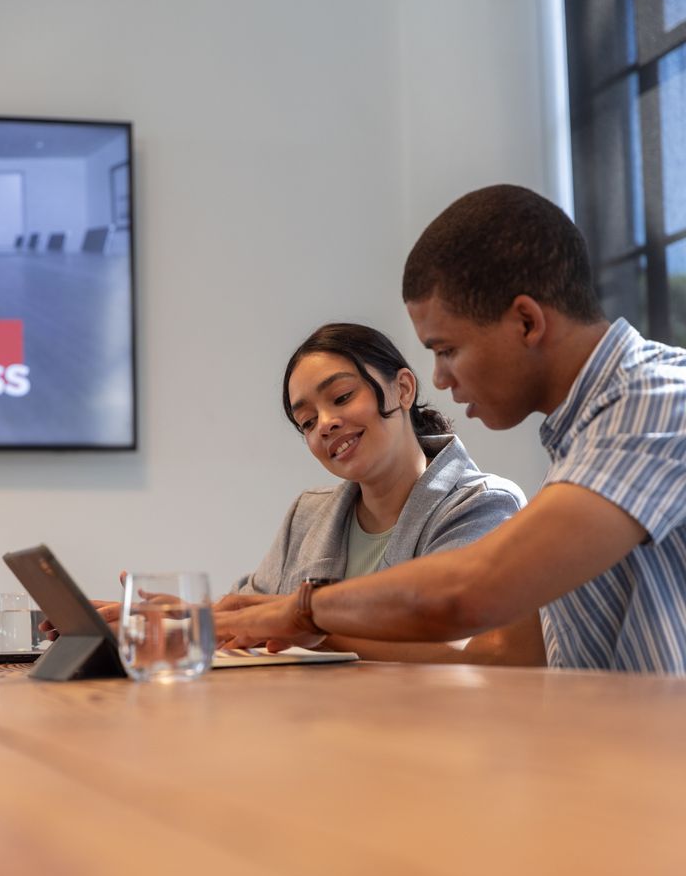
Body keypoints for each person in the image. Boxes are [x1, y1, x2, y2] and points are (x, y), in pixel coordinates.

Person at [216, 184, 686, 673]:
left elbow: (472, 591)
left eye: (447, 350)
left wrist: (302, 612)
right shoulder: (583, 437)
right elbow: (508, 649)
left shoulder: (653, 402)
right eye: (306, 421)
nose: (438, 378)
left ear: (526, 322)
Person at [215, 322, 526, 661]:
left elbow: (457, 648)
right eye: (307, 421)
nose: (325, 424)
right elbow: (246, 613)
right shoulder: (306, 514)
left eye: (342, 397)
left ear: (403, 389)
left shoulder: (484, 504)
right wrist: (191, 620)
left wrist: (309, 626)